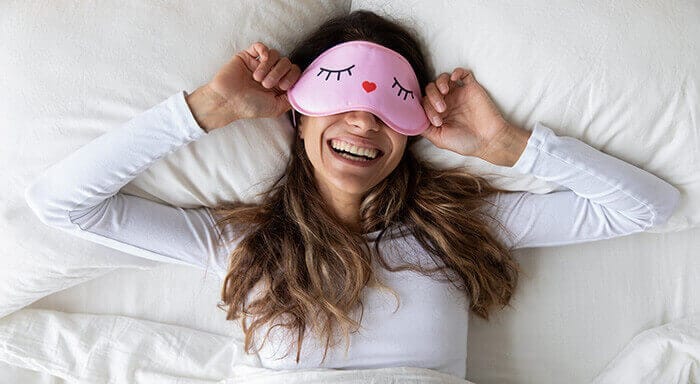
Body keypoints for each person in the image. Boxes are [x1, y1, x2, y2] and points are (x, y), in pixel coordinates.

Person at [25, 10, 680, 380]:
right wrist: (205, 110)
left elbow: (647, 208)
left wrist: (508, 146)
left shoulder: (453, 231)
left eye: (391, 102)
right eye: (339, 95)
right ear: (298, 117)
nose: (365, 120)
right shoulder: (241, 245)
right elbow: (61, 204)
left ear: (414, 130)